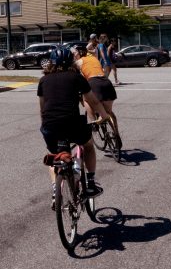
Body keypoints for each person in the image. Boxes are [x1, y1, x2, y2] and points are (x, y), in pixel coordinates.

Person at [37, 45, 102, 204]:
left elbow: (42, 107)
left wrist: (45, 126)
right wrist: (104, 116)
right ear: (72, 61)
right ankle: (91, 183)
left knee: (55, 156)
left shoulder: (43, 80)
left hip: (50, 126)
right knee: (88, 145)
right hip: (72, 124)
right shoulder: (76, 77)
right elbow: (91, 100)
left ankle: (55, 190)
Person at [72, 43, 122, 141]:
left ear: (78, 53)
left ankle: (94, 122)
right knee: (109, 113)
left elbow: (75, 79)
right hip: (106, 83)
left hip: (94, 83)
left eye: (74, 53)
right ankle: (116, 134)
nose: (74, 55)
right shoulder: (94, 59)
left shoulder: (78, 62)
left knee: (85, 99)